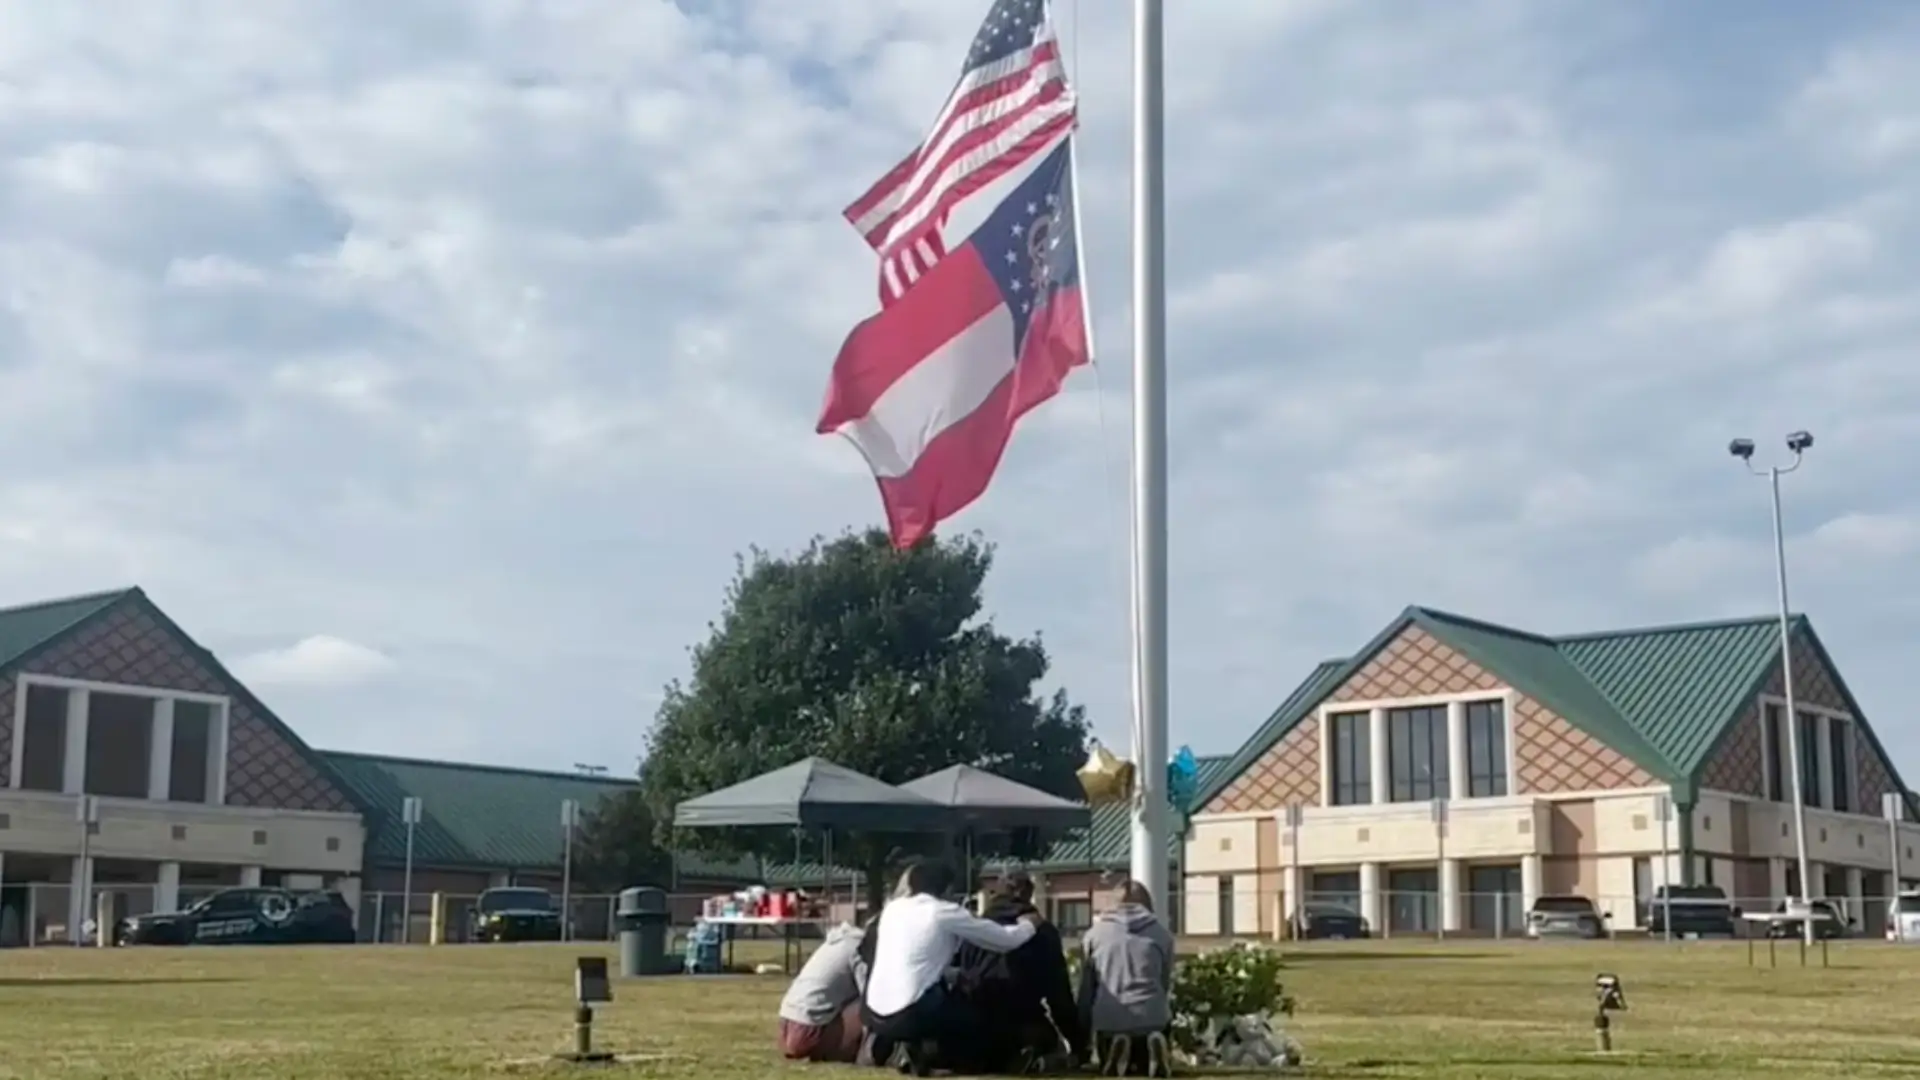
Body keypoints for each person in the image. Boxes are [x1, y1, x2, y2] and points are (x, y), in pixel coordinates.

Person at [862, 861, 1040, 1075]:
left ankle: (911, 1053)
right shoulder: (943, 912)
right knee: (974, 1013)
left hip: (874, 1012)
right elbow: (1004, 940)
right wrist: (1030, 925)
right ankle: (982, 1062)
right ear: (946, 889)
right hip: (910, 1012)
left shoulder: (893, 909)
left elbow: (915, 959)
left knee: (939, 990)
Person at [951, 871, 1087, 1071]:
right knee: (1047, 1044)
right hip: (1022, 1019)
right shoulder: (1042, 932)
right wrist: (1077, 1043)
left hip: (975, 1022)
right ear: (1027, 895)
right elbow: (1059, 995)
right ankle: (1033, 1057)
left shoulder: (974, 929)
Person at [1078, 881, 1176, 1074]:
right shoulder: (1162, 935)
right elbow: (1164, 984)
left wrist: (1081, 1042)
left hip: (1109, 1020)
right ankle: (1152, 1049)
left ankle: (1116, 1049)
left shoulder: (1094, 935)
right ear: (1148, 905)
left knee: (1112, 1038)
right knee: (1148, 1043)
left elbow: (1087, 991)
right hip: (1151, 1017)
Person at [777, 921, 869, 1062]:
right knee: (868, 1002)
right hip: (807, 1031)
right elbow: (869, 995)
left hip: (785, 1028)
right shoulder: (859, 948)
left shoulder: (833, 944)